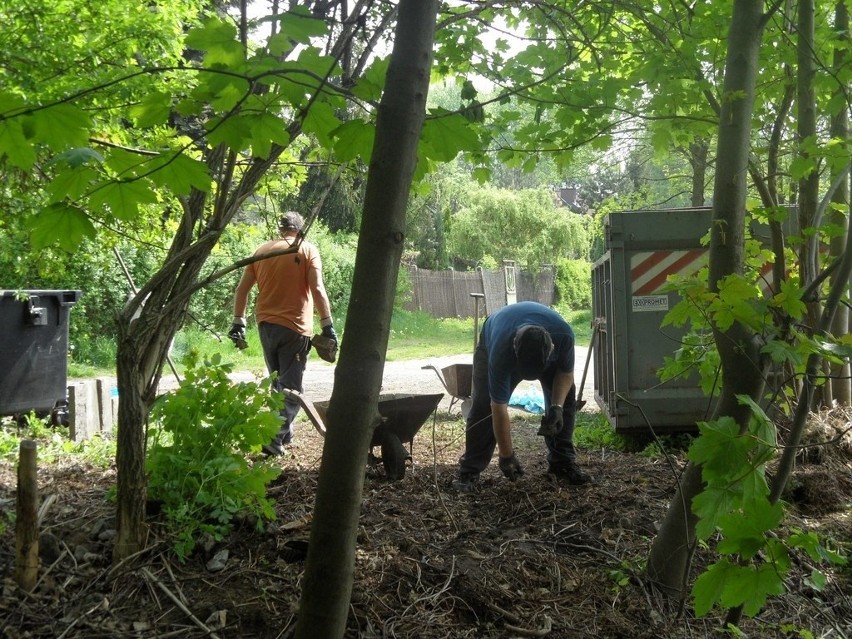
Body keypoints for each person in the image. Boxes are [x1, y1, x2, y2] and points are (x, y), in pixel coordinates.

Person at [452, 300, 592, 492]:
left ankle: (563, 464)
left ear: (551, 350)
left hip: (542, 345)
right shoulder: (501, 351)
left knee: (566, 399)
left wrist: (556, 407)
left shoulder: (563, 335)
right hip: (494, 336)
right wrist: (506, 455)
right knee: (484, 406)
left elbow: (565, 374)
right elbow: (498, 407)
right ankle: (469, 471)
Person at [229, 211, 337, 456]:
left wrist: (238, 321)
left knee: (277, 382)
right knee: (291, 387)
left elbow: (242, 289)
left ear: (281, 230)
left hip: (266, 325)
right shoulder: (306, 249)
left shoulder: (262, 251)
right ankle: (273, 441)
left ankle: (284, 435)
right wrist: (327, 325)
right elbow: (317, 288)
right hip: (295, 328)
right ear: (299, 230)